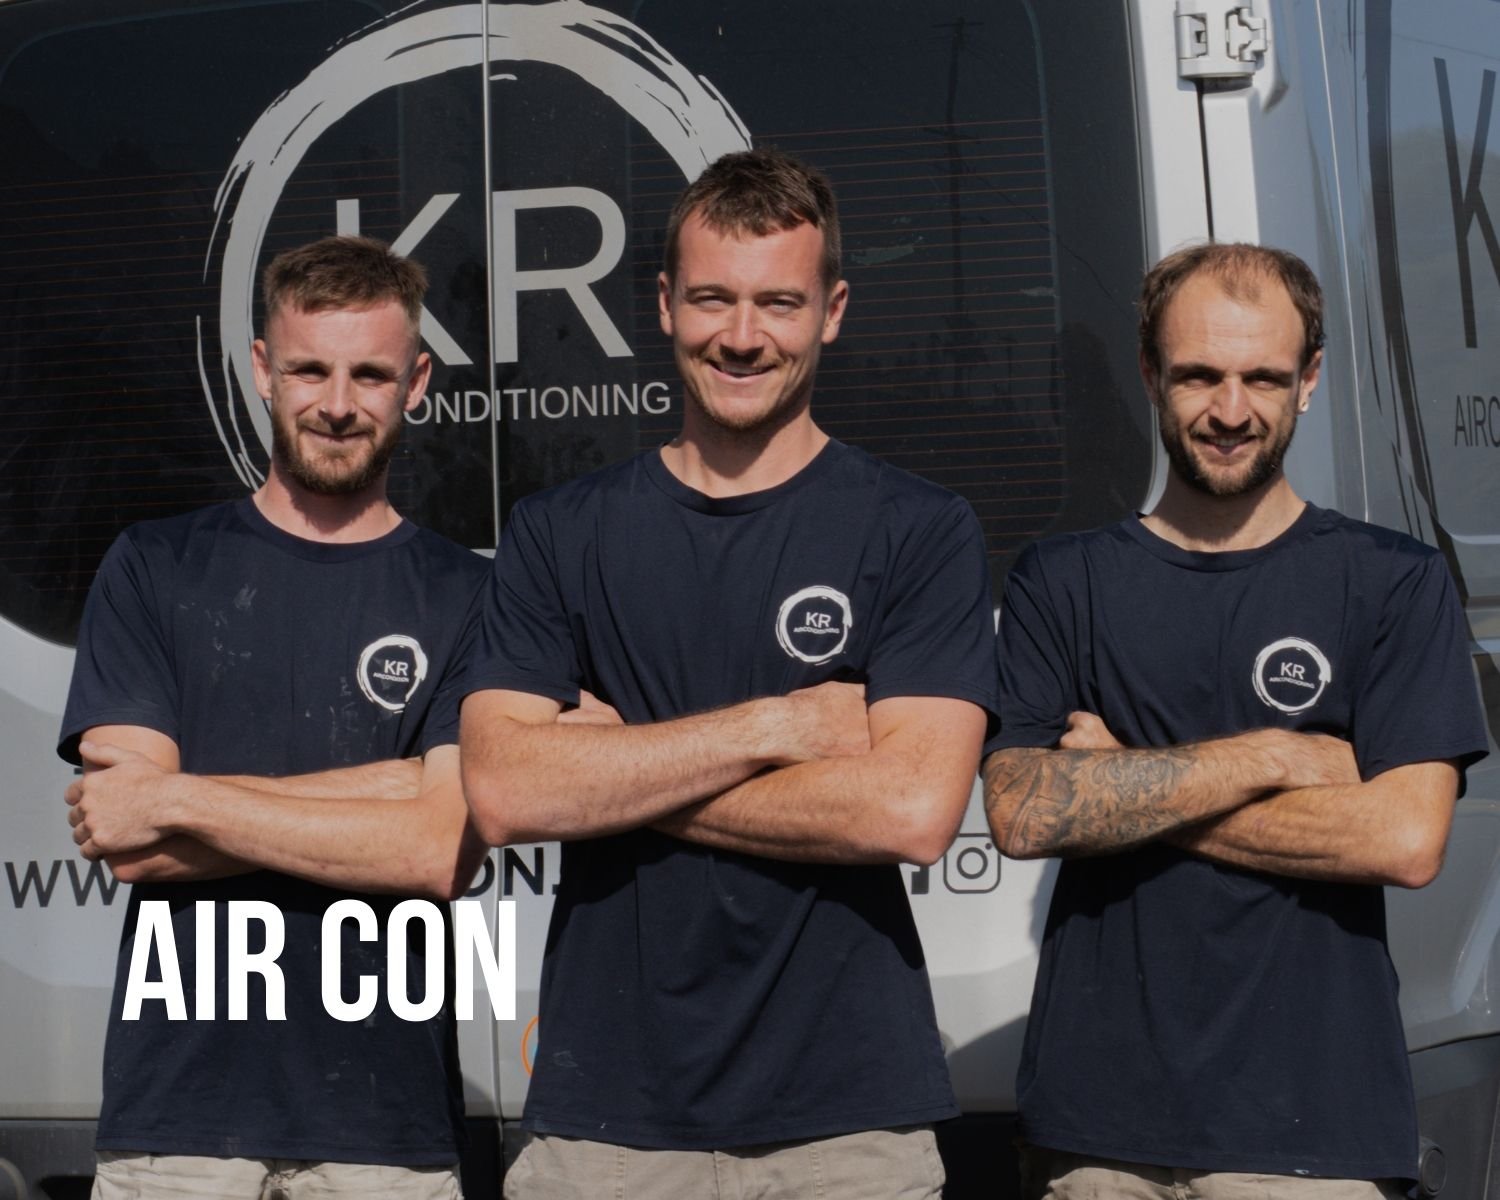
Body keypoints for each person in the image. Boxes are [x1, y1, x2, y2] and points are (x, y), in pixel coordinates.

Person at [460, 147, 997, 1198]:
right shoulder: (559, 533)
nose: (742, 337)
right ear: (664, 304)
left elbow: (912, 810)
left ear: (832, 310)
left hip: (851, 1130)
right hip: (604, 1126)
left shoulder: (921, 530)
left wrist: (615, 771)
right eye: (712, 298)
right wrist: (774, 728)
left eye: (778, 303)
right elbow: (506, 790)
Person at [983, 242, 1489, 1197]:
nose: (1229, 410)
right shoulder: (1064, 580)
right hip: (1102, 1136)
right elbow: (1023, 813)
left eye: (1262, 377)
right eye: (1198, 376)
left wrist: (1131, 780)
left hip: (1316, 1134)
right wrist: (1273, 755)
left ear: (1310, 379)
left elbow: (1405, 839)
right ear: (1148, 374)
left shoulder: (1393, 581)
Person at [59, 236, 487, 1199]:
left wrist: (183, 801)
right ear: (262, 369)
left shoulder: (468, 595)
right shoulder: (154, 567)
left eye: (370, 373)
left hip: (388, 1131)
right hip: (179, 1127)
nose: (337, 403)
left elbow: (438, 852)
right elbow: (132, 840)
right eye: (309, 369)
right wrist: (392, 789)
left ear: (415, 381)